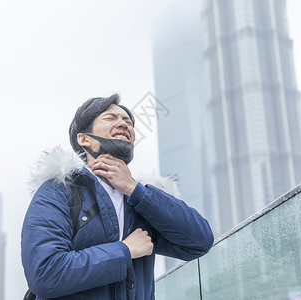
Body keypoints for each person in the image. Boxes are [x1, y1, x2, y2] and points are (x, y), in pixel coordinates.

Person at [21, 94, 214, 299]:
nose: (123, 123)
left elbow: (199, 242)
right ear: (84, 138)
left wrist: (133, 188)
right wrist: (124, 251)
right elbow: (45, 274)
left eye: (128, 121)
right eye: (110, 118)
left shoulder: (141, 200)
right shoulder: (59, 190)